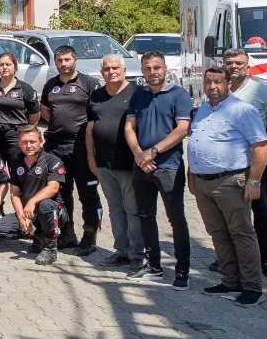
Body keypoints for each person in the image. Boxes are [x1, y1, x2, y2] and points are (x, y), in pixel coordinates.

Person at [187, 66, 267, 307]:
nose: (212, 86)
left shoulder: (243, 110)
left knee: (241, 234)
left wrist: (254, 181)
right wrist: (192, 173)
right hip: (203, 183)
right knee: (218, 233)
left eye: (218, 82)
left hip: (231, 182)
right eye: (208, 81)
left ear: (229, 84)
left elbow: (260, 145)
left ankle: (253, 287)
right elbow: (197, 143)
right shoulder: (203, 109)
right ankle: (231, 281)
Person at [123, 51, 194, 287]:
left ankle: (182, 271)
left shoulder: (179, 95)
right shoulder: (138, 96)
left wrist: (152, 152)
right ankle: (154, 266)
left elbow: (182, 129)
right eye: (148, 68)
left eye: (157, 68)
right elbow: (129, 128)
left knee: (176, 219)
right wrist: (139, 156)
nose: (153, 72)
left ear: (165, 69)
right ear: (142, 71)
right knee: (146, 217)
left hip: (168, 167)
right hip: (142, 167)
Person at [224, 47, 267, 277]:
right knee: (230, 213)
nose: (234, 66)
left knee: (262, 210)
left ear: (247, 65)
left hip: (255, 164)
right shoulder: (218, 88)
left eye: (238, 62)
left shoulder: (262, 90)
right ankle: (231, 257)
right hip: (227, 166)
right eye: (229, 62)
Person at [38, 45, 102, 255]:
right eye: (59, 60)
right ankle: (68, 234)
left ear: (75, 60)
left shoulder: (88, 83)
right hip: (55, 145)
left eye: (67, 59)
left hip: (81, 145)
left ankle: (89, 237)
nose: (63, 64)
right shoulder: (51, 85)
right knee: (61, 192)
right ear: (55, 62)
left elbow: (97, 113)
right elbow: (46, 111)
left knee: (87, 193)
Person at [85, 55, 141, 266]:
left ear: (124, 70)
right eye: (107, 69)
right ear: (101, 73)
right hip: (103, 164)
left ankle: (136, 253)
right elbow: (90, 128)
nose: (111, 72)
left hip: (129, 163)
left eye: (115, 68)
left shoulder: (136, 93)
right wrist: (91, 156)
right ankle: (122, 250)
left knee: (132, 209)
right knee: (115, 209)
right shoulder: (96, 95)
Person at [0, 127, 68, 265]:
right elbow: (14, 193)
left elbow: (53, 188)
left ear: (41, 142)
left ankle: (50, 248)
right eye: (24, 142)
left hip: (52, 212)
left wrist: (32, 201)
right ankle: (37, 235)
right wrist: (21, 217)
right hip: (28, 213)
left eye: (32, 141)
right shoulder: (17, 162)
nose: (28, 145)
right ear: (19, 143)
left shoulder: (52, 161)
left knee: (45, 205)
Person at [0, 52, 39, 170]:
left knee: (18, 171)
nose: (4, 67)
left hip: (16, 136)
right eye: (1, 65)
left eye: (8, 64)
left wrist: (24, 130)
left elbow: (35, 115)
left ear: (15, 67)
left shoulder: (25, 88)